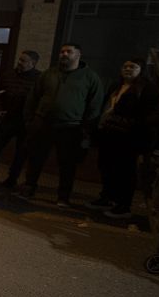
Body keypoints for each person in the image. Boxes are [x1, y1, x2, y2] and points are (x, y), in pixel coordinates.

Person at [20, 43, 104, 206]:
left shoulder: (90, 77)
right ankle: (29, 186)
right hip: (43, 122)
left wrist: (86, 128)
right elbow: (34, 97)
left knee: (67, 163)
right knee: (36, 157)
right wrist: (29, 119)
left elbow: (95, 104)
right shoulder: (48, 74)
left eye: (69, 52)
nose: (64, 54)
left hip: (70, 127)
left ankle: (63, 195)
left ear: (78, 55)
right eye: (62, 51)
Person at [88, 58, 159, 218]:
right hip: (109, 133)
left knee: (125, 170)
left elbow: (148, 115)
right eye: (125, 66)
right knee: (107, 166)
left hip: (128, 136)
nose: (128, 69)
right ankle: (107, 197)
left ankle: (123, 205)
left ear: (141, 70)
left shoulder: (147, 89)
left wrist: (133, 127)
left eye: (132, 67)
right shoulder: (117, 86)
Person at [0, 50, 40, 187]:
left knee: (21, 152)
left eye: (23, 61)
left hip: (25, 120)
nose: (19, 63)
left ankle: (12, 178)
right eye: (19, 60)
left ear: (32, 63)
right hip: (8, 118)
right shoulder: (9, 75)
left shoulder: (38, 79)